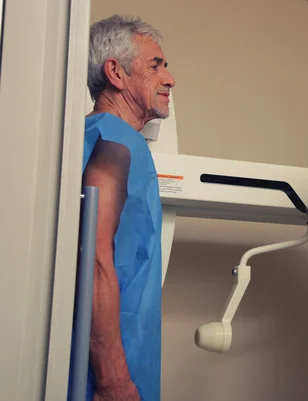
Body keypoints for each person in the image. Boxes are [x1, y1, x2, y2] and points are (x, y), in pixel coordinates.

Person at [72, 15, 175, 401]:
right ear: (115, 71)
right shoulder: (116, 142)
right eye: (155, 65)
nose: (170, 78)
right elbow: (94, 260)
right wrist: (113, 379)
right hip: (109, 378)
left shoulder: (91, 136)